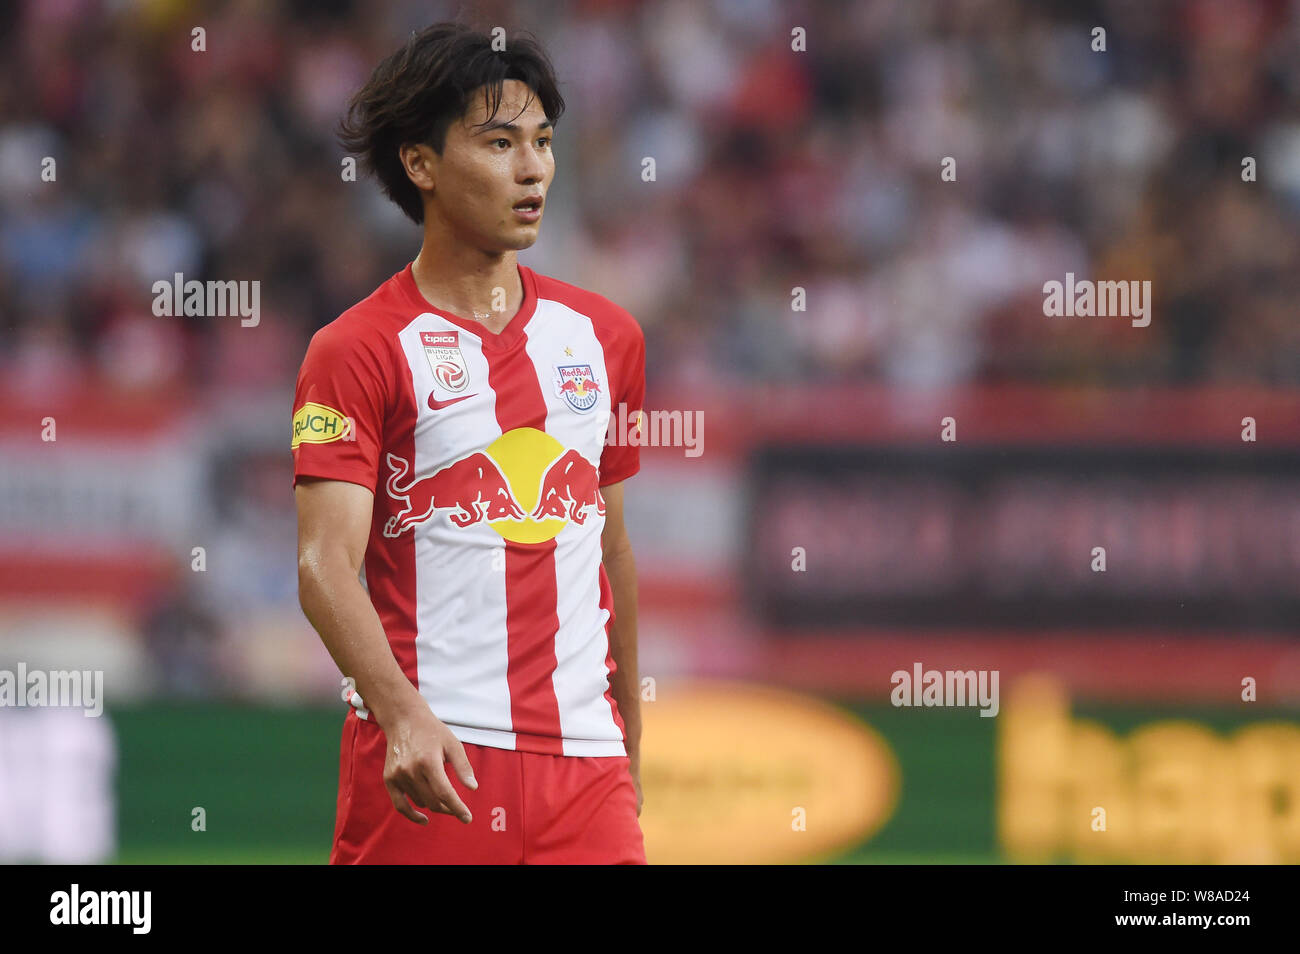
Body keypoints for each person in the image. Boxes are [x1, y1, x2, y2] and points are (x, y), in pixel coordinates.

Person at [292, 22, 647, 864]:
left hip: (585, 772)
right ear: (421, 164)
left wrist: (630, 742)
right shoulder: (356, 350)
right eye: (498, 143)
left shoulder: (605, 337)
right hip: (431, 765)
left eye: (542, 142)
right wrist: (402, 713)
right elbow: (322, 566)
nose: (532, 170)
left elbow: (612, 548)